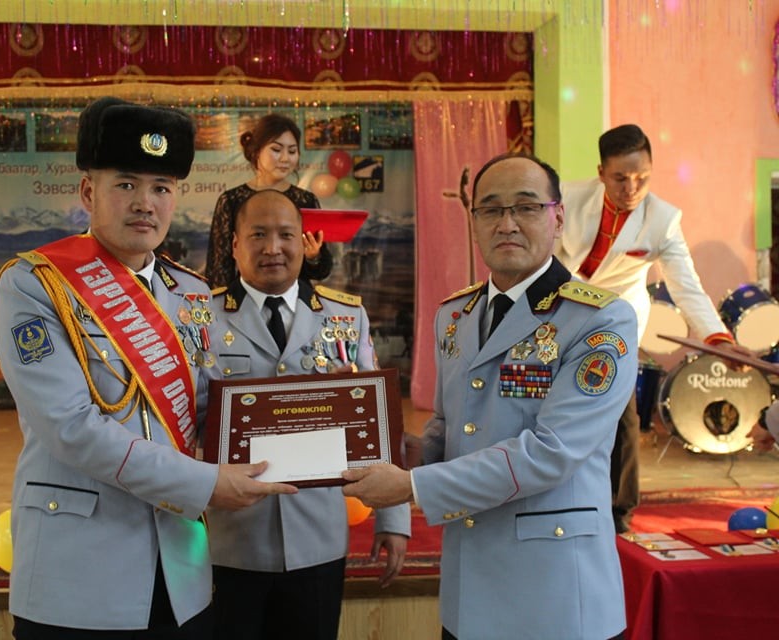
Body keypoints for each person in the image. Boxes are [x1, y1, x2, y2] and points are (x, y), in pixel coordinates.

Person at [0, 97, 297, 639]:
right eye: (126, 184)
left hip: (179, 574)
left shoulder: (190, 291)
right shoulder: (35, 285)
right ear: (89, 192)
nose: (144, 203)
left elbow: (208, 408)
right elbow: (71, 428)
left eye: (161, 187)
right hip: (79, 575)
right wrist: (205, 482)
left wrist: (309, 435)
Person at [341, 153, 638, 640]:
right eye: (491, 209)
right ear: (474, 220)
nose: (507, 223)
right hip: (470, 591)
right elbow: (447, 426)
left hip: (555, 596)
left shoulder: (599, 320)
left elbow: (551, 453)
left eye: (526, 207)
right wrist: (388, 450)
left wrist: (412, 486)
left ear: (557, 217)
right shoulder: (455, 316)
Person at [205, 188, 410, 640]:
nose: (273, 248)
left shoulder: (346, 316)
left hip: (317, 538)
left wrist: (393, 519)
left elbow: (376, 420)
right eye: (258, 235)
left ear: (305, 242)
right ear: (235, 245)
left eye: (286, 235)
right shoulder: (200, 319)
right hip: (231, 539)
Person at [554, 123, 746, 533]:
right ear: (601, 173)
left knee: (621, 414)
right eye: (620, 178)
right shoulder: (565, 199)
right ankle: (553, 499)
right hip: (560, 312)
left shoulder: (663, 219)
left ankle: (618, 512)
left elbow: (685, 285)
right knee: (549, 408)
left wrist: (719, 339)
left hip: (616, 322)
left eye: (641, 178)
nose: (631, 188)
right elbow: (544, 261)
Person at [206, 113, 332, 288]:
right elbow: (219, 269)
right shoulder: (231, 201)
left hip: (296, 299)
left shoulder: (306, 200)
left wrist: (313, 256)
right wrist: (227, 303)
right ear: (257, 151)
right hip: (246, 299)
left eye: (292, 151)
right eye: (276, 150)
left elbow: (321, 271)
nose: (285, 158)